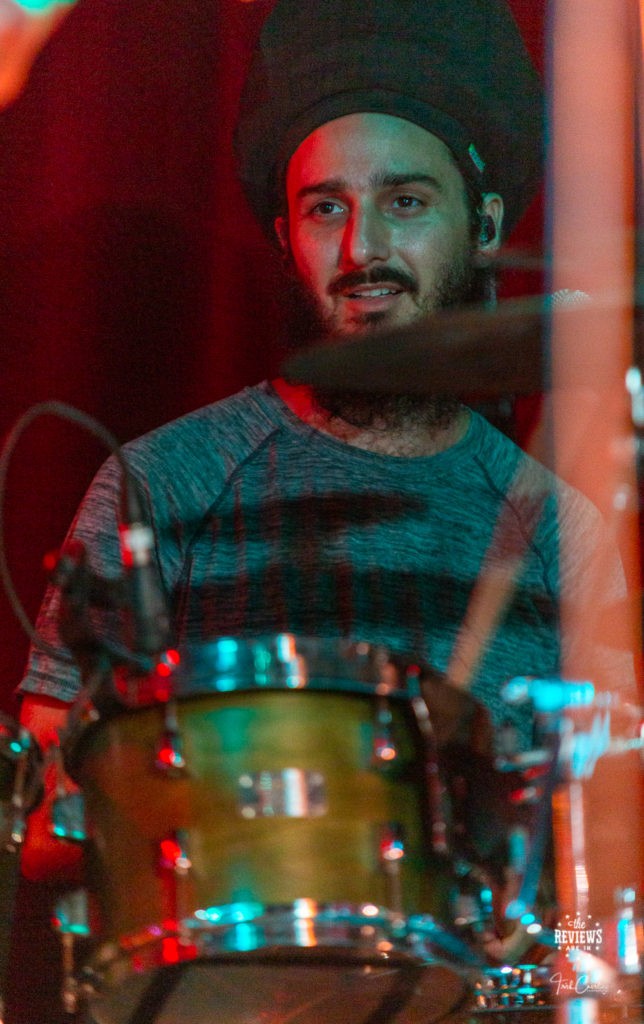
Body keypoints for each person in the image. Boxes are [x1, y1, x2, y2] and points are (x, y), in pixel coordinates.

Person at [17, 0, 635, 984]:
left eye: (402, 202)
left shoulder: (567, 530)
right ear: (282, 232)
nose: (360, 256)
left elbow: (608, 855)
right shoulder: (162, 483)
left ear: (480, 224)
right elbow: (45, 826)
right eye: (324, 208)